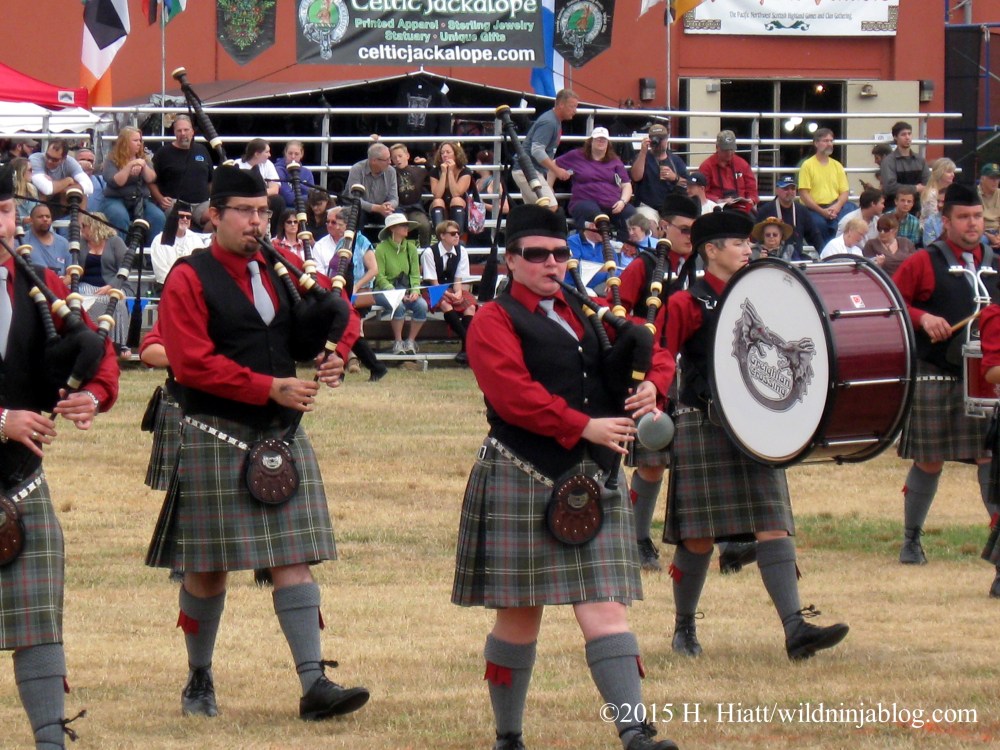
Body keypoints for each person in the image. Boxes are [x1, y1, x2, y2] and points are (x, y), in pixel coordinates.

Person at [145, 165, 370, 720]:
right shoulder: (188, 277)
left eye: (264, 212)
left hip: (279, 437)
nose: (257, 223)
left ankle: (314, 684)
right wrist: (269, 386)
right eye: (245, 212)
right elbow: (192, 364)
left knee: (294, 557)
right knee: (208, 570)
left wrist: (338, 351)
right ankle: (199, 677)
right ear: (214, 216)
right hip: (215, 433)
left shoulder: (278, 267)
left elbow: (341, 313)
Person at [453, 202, 679, 750]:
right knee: (519, 617)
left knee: (605, 604)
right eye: (537, 256)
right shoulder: (494, 319)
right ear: (511, 261)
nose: (551, 264)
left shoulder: (588, 311)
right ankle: (508, 736)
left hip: (590, 477)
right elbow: (514, 395)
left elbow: (657, 349)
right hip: (524, 472)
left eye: (559, 254)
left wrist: (654, 385)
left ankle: (634, 732)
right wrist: (585, 427)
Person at [657, 208, 848, 661]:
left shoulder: (763, 294)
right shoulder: (687, 302)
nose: (749, 248)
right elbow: (662, 357)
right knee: (699, 537)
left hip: (758, 425)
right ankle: (684, 626)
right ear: (711, 251)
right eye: (739, 243)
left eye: (749, 243)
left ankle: (795, 627)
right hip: (703, 423)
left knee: (773, 522)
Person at [0, 162, 119, 749]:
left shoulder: (36, 282)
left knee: (36, 620)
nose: (0, 226)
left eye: (4, 212)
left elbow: (97, 350)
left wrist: (93, 394)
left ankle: (50, 739)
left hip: (19, 483)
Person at [892, 182, 997, 570]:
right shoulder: (924, 260)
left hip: (984, 372)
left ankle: (998, 544)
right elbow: (892, 299)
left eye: (977, 217)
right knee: (929, 459)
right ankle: (911, 539)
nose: (973, 224)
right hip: (935, 370)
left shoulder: (994, 259)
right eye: (964, 217)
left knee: (990, 457)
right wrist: (923, 317)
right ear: (946, 221)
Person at [551, 127, 635, 239]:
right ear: (591, 141)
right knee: (596, 216)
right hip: (584, 201)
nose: (601, 141)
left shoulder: (615, 160)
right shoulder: (576, 155)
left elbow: (626, 185)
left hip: (613, 203)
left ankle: (625, 247)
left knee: (632, 215)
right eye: (597, 139)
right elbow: (553, 165)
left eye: (603, 139)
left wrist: (623, 202)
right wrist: (549, 187)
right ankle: (598, 247)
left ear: (608, 143)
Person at [420, 219, 477, 364]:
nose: (457, 236)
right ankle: (469, 342)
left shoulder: (461, 251)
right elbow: (433, 281)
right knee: (446, 304)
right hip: (432, 288)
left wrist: (458, 292)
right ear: (442, 236)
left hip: (452, 287)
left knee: (470, 305)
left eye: (458, 233)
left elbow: (458, 278)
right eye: (452, 233)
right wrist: (449, 294)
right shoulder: (429, 252)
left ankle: (465, 350)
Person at [78, 211, 134, 356]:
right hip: (86, 284)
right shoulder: (81, 244)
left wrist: (111, 286)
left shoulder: (115, 242)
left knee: (116, 301)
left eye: (84, 226)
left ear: (94, 226)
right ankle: (93, 341)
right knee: (87, 301)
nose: (82, 229)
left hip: (114, 283)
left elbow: (125, 268)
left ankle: (120, 343)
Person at [511, 88, 579, 207]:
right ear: (561, 105)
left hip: (527, 170)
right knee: (550, 206)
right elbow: (537, 150)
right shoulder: (550, 122)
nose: (575, 111)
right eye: (572, 106)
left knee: (536, 209)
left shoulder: (552, 120)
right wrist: (556, 170)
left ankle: (528, 226)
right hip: (527, 171)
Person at [100, 127, 166, 243]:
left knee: (158, 217)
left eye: (140, 140)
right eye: (135, 141)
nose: (139, 144)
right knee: (119, 216)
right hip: (116, 198)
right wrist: (130, 166)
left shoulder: (144, 158)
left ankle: (150, 255)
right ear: (125, 142)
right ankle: (121, 254)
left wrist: (143, 166)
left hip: (140, 200)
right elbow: (116, 182)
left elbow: (151, 178)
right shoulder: (111, 159)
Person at [373, 212, 427, 355]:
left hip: (405, 289)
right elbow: (380, 277)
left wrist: (416, 291)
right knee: (398, 305)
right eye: (403, 225)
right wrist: (395, 292)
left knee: (422, 306)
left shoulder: (412, 249)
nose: (406, 228)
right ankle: (398, 341)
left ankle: (410, 341)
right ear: (392, 228)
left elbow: (415, 275)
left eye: (406, 225)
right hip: (384, 290)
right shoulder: (381, 249)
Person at [150, 114, 213, 221]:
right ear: (174, 132)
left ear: (192, 132)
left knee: (216, 218)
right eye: (179, 131)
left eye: (186, 130)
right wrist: (160, 199)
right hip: (175, 203)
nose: (183, 133)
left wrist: (214, 201)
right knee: (179, 218)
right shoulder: (163, 153)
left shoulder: (202, 150)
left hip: (202, 204)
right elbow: (151, 182)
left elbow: (211, 180)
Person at [797, 128, 854, 246]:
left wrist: (837, 207)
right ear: (816, 143)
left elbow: (845, 191)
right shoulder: (807, 165)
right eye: (825, 141)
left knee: (850, 213)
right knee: (818, 225)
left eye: (831, 141)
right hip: (814, 209)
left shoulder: (837, 165)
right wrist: (822, 211)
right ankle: (827, 253)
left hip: (835, 207)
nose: (829, 144)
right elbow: (804, 194)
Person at [755, 174, 823, 260]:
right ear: (777, 190)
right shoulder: (765, 210)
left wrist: (824, 255)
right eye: (785, 189)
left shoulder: (802, 210)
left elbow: (814, 235)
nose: (790, 192)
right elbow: (757, 238)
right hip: (773, 257)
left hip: (796, 256)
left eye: (793, 188)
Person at [149, 201, 212, 290]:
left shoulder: (195, 239)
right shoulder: (159, 239)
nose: (185, 219)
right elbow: (161, 272)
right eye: (181, 216)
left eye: (188, 217)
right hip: (167, 287)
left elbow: (201, 266)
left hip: (192, 287)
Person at [343, 142, 399, 238]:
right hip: (359, 207)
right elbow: (354, 199)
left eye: (389, 158)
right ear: (373, 161)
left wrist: (388, 206)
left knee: (397, 219)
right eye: (386, 159)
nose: (390, 162)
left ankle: (391, 249)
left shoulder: (391, 171)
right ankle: (356, 248)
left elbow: (394, 198)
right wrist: (377, 208)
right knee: (356, 216)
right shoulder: (357, 169)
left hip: (382, 207)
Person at [630, 123, 689, 211]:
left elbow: (687, 184)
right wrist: (643, 152)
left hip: (671, 207)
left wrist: (674, 178)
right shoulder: (641, 157)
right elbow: (636, 177)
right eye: (655, 139)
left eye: (661, 139)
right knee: (648, 222)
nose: (658, 143)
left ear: (666, 139)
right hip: (647, 206)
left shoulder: (676, 160)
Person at [28, 139, 93, 217]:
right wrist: (68, 180)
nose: (49, 161)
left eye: (54, 159)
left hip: (61, 201)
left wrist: (58, 188)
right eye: (48, 156)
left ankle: (79, 227)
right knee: (42, 192)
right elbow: (46, 189)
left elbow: (89, 187)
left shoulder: (70, 162)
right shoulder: (36, 158)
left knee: (82, 194)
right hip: (37, 201)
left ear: (63, 159)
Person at [697, 130, 759, 209]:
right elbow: (701, 192)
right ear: (717, 147)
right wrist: (719, 201)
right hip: (717, 209)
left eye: (731, 149)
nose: (729, 153)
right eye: (725, 150)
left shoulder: (742, 164)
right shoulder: (707, 166)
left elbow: (752, 189)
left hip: (741, 209)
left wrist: (751, 200)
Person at [234, 138, 284, 234]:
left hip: (262, 197)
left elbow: (275, 189)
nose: (269, 155)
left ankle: (275, 235)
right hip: (243, 198)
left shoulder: (268, 164)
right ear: (257, 154)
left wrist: (258, 194)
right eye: (267, 152)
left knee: (278, 201)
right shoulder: (237, 164)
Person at [880, 121, 929, 212]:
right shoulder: (889, 161)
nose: (907, 137)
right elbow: (890, 188)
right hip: (894, 208)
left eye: (909, 134)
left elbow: (927, 184)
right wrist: (915, 188)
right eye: (903, 134)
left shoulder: (920, 160)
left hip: (917, 207)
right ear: (895, 137)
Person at [389, 143, 432, 247]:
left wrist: (426, 163)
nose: (398, 160)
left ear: (407, 156)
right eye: (394, 157)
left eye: (400, 156)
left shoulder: (418, 171)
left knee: (425, 226)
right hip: (398, 207)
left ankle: (425, 253)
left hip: (415, 208)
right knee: (398, 226)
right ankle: (398, 252)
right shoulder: (390, 172)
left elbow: (434, 173)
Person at [429, 140, 473, 233]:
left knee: (456, 200)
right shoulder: (435, 171)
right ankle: (440, 236)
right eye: (442, 153)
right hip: (441, 204)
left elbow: (456, 193)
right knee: (437, 201)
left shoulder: (465, 171)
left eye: (448, 152)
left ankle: (457, 235)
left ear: (456, 154)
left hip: (459, 204)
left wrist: (450, 172)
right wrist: (444, 173)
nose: (445, 155)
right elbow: (437, 194)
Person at [23, 203, 70, 274]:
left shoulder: (63, 243)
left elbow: (72, 272)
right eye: (40, 217)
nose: (45, 219)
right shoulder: (21, 241)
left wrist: (61, 283)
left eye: (48, 217)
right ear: (31, 220)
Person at [919, 157, 956, 247]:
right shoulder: (931, 193)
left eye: (953, 172)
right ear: (940, 173)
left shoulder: (953, 191)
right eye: (949, 172)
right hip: (931, 228)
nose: (953, 175)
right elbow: (933, 218)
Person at [274, 140, 316, 211]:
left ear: (301, 154)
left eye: (296, 154)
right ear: (285, 153)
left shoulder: (307, 172)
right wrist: (304, 191)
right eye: (290, 153)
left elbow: (312, 197)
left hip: (305, 209)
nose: (293, 157)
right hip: (286, 211)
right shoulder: (278, 170)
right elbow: (288, 199)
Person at [72, 147, 105, 214]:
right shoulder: (68, 180)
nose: (86, 163)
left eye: (90, 161)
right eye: (82, 160)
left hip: (94, 221)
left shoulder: (101, 181)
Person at [977, 162, 1000, 252]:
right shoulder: (974, 194)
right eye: (992, 178)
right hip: (982, 232)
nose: (995, 181)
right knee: (982, 240)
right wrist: (989, 236)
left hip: (997, 231)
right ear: (982, 179)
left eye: (997, 178)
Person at [10, 157, 39, 226]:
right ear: (21, 172)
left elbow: (38, 210)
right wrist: (23, 220)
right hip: (18, 231)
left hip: (35, 229)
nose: (32, 173)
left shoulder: (32, 189)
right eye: (30, 170)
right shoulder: (8, 193)